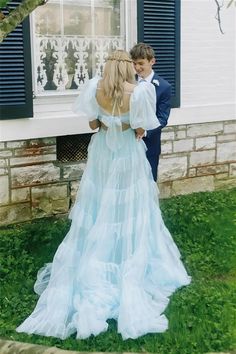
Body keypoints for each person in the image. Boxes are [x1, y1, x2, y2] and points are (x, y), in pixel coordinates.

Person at [16, 50, 190, 340]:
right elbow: (141, 126)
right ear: (127, 67)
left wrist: (108, 120)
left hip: (101, 152)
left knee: (100, 199)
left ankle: (100, 246)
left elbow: (93, 125)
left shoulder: (94, 87)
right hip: (126, 149)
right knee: (128, 201)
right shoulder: (139, 92)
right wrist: (130, 127)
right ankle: (123, 250)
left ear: (107, 66)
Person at [130, 43, 172, 182]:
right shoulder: (129, 82)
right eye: (134, 63)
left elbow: (162, 118)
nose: (137, 68)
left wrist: (144, 132)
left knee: (148, 182)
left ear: (152, 61)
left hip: (150, 144)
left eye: (141, 63)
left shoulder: (164, 87)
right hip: (127, 142)